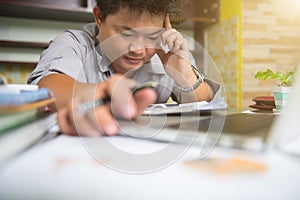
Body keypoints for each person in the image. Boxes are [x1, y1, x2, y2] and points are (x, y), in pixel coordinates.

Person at [28, 0, 221, 137]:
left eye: (151, 36)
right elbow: (48, 86)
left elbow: (205, 103)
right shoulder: (74, 44)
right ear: (99, 17)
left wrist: (184, 75)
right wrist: (99, 94)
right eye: (125, 33)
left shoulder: (166, 53)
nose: (138, 49)